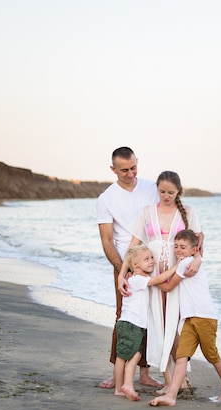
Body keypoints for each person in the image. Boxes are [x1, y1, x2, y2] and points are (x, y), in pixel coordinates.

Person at [117, 170, 204, 391]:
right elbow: (133, 246)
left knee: (174, 326)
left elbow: (198, 245)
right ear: (157, 189)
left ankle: (180, 378)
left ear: (178, 192)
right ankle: (170, 380)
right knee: (159, 326)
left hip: (178, 277)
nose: (166, 196)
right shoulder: (146, 212)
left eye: (171, 192)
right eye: (162, 191)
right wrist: (121, 273)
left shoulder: (188, 212)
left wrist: (198, 260)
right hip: (153, 278)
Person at [96, 146, 162, 389]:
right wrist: (123, 270)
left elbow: (168, 213)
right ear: (113, 169)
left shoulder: (151, 188)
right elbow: (106, 240)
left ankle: (144, 374)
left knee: (150, 317)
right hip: (124, 265)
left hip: (154, 263)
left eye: (134, 167)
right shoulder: (106, 199)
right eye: (124, 170)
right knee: (123, 317)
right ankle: (117, 373)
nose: (130, 173)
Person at [149, 230, 221, 407]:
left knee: (212, 356)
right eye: (176, 246)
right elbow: (200, 235)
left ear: (193, 249)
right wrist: (197, 252)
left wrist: (146, 281)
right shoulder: (192, 260)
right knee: (181, 356)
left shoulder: (186, 264)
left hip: (204, 318)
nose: (178, 250)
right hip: (189, 319)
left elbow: (168, 287)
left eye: (183, 247)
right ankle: (171, 395)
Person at [114, 245, 180, 401]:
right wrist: (176, 267)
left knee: (126, 356)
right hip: (132, 323)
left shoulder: (134, 278)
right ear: (135, 265)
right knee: (130, 355)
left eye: (151, 258)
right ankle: (124, 386)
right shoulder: (138, 279)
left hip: (130, 323)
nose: (151, 261)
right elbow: (159, 279)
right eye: (146, 259)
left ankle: (122, 386)